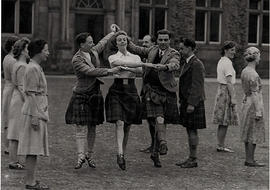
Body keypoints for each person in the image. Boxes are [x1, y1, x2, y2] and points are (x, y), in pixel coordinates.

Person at [65, 24, 121, 170]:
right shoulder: (76, 60)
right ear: (82, 45)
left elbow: (103, 42)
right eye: (90, 42)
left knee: (92, 126)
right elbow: (90, 71)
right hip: (82, 93)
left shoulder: (93, 51)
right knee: (80, 126)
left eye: (92, 41)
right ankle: (80, 156)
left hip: (95, 93)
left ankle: (89, 155)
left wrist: (112, 33)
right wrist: (110, 71)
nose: (93, 44)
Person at [128, 29, 180, 168]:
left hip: (166, 92)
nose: (163, 42)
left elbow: (175, 64)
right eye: (160, 39)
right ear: (157, 40)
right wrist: (120, 34)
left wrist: (164, 67)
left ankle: (156, 151)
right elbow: (134, 48)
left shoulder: (174, 53)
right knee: (157, 120)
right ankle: (161, 144)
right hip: (150, 91)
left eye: (165, 40)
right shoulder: (151, 50)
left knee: (159, 121)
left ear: (169, 41)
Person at [105, 31, 154, 170]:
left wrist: (125, 67)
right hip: (117, 89)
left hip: (131, 90)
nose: (122, 41)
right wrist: (132, 66)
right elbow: (117, 64)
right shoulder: (112, 57)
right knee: (119, 122)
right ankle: (119, 154)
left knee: (127, 125)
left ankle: (123, 154)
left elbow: (139, 71)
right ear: (116, 43)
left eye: (124, 39)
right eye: (119, 39)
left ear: (127, 41)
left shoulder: (136, 56)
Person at [17, 39, 50, 189]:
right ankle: (29, 182)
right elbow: (30, 94)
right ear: (38, 52)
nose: (48, 53)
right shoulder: (32, 69)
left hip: (38, 111)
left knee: (34, 149)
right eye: (46, 50)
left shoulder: (37, 67)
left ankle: (31, 180)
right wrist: (35, 115)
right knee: (31, 149)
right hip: (33, 113)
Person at [176, 38, 206, 168]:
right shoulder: (187, 62)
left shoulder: (196, 64)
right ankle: (191, 157)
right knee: (189, 130)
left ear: (189, 48)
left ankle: (193, 159)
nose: (180, 50)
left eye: (182, 48)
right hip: (187, 101)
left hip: (193, 103)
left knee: (192, 130)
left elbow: (197, 85)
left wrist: (192, 104)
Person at [240, 47, 265, 167]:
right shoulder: (253, 74)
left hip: (246, 102)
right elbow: (255, 93)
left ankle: (248, 158)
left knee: (248, 131)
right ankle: (250, 160)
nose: (260, 58)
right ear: (255, 57)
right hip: (253, 104)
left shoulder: (245, 71)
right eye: (259, 55)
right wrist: (259, 111)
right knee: (253, 132)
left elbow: (247, 90)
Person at [7, 38, 30, 170]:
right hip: (20, 100)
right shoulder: (21, 66)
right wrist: (28, 103)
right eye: (27, 49)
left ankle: (14, 160)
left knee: (15, 130)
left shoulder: (17, 63)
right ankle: (14, 161)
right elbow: (22, 87)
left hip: (16, 98)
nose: (28, 51)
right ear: (22, 51)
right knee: (16, 131)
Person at [212, 41, 239, 153]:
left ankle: (220, 144)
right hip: (225, 91)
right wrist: (233, 97)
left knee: (223, 120)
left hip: (221, 91)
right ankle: (221, 145)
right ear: (225, 50)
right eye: (232, 50)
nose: (234, 52)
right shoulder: (227, 62)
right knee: (224, 120)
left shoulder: (222, 60)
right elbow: (229, 82)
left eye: (234, 50)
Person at [2, 36, 20, 154]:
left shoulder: (7, 58)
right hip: (12, 89)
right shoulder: (13, 60)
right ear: (13, 46)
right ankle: (9, 146)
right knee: (11, 117)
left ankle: (6, 145)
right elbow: (16, 79)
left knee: (7, 117)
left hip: (7, 88)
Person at [139, 34, 157, 154]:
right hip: (146, 92)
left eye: (146, 42)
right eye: (143, 43)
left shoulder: (155, 57)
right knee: (150, 121)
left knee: (155, 121)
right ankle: (153, 145)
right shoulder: (144, 58)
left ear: (153, 44)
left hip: (154, 94)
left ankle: (156, 146)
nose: (144, 45)